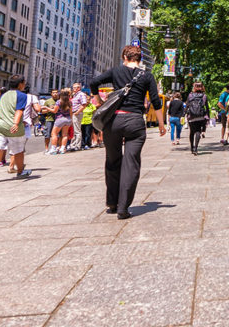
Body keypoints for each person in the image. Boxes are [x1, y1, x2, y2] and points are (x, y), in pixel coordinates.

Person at [90, 45, 165, 219]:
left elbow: (94, 82)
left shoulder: (116, 71)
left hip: (114, 121)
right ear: (139, 59)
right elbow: (155, 101)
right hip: (135, 122)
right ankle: (123, 207)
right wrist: (161, 124)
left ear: (124, 56)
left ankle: (112, 202)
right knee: (131, 164)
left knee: (112, 161)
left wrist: (97, 98)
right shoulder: (147, 76)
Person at [0, 75, 36, 183]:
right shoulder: (22, 95)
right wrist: (15, 124)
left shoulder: (3, 95)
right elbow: (19, 111)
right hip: (13, 126)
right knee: (18, 150)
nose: (24, 84)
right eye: (24, 82)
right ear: (20, 84)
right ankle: (20, 172)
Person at [184, 81, 209, 155]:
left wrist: (184, 114)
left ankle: (192, 147)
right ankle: (196, 148)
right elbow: (206, 107)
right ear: (202, 87)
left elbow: (187, 105)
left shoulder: (190, 95)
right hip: (200, 116)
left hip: (191, 116)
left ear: (194, 87)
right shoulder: (204, 96)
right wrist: (207, 116)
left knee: (192, 132)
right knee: (198, 131)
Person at [49, 88, 72, 154]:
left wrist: (47, 108)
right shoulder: (70, 102)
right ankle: (62, 148)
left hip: (60, 119)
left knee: (54, 134)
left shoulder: (59, 102)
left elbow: (54, 111)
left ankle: (53, 149)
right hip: (68, 119)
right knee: (65, 134)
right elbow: (71, 112)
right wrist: (71, 120)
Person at [69, 83, 88, 151]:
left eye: (75, 88)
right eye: (73, 87)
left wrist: (77, 112)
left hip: (77, 113)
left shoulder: (81, 94)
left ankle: (77, 145)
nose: (73, 89)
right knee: (74, 129)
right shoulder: (75, 95)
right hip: (74, 113)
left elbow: (84, 104)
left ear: (79, 88)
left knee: (77, 130)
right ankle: (73, 144)